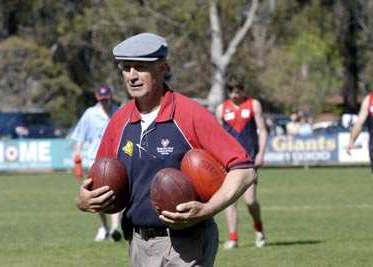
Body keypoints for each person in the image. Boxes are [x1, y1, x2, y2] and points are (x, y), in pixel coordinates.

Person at [76, 32, 256, 266]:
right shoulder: (119, 120)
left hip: (185, 244)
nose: (131, 76)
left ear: (163, 68)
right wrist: (83, 200)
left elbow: (244, 170)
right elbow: (99, 179)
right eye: (126, 68)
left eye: (140, 67)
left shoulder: (190, 114)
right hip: (137, 244)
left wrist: (207, 209)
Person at [215, 80, 268, 249]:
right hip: (229, 161)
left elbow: (263, 131)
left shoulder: (254, 105)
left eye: (238, 90)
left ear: (243, 90)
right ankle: (233, 238)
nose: (234, 94)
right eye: (231, 91)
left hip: (249, 160)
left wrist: (261, 153)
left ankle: (259, 229)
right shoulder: (221, 109)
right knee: (230, 200)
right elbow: (218, 137)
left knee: (250, 201)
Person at [70, 85, 122, 242]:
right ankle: (104, 227)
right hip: (94, 158)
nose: (105, 103)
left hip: (114, 157)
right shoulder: (90, 114)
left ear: (110, 97)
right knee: (96, 195)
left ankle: (114, 228)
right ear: (97, 98)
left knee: (114, 193)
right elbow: (80, 135)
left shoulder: (118, 111)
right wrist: (77, 155)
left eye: (107, 100)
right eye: (102, 100)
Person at [346, 93, 373, 171]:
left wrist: (351, 141)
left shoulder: (369, 99)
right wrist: (351, 141)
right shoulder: (369, 99)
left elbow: (359, 123)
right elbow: (358, 124)